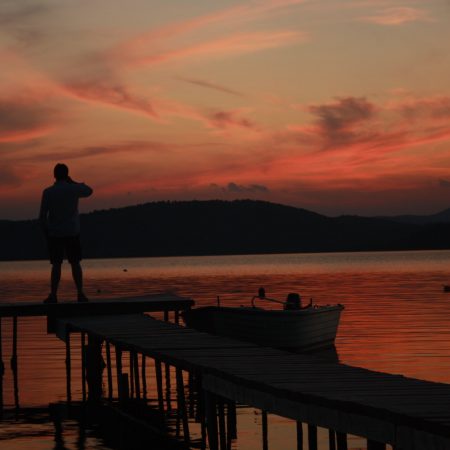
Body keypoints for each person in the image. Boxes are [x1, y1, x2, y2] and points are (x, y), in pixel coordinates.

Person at [39, 163, 93, 303]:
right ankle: (80, 294)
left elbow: (42, 216)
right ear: (67, 174)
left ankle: (53, 295)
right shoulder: (73, 189)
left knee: (56, 264)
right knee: (75, 263)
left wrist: (46, 234)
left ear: (54, 175)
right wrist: (73, 182)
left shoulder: (48, 192)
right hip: (72, 232)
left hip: (55, 233)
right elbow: (89, 191)